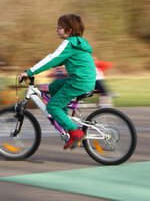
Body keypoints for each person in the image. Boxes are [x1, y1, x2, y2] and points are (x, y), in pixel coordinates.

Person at [19, 14, 96, 150]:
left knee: (52, 107)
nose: (56, 30)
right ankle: (63, 116)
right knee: (54, 86)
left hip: (78, 82)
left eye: (60, 27)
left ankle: (75, 132)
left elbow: (51, 59)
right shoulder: (77, 44)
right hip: (85, 80)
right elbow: (57, 61)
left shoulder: (69, 43)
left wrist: (29, 72)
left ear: (69, 30)